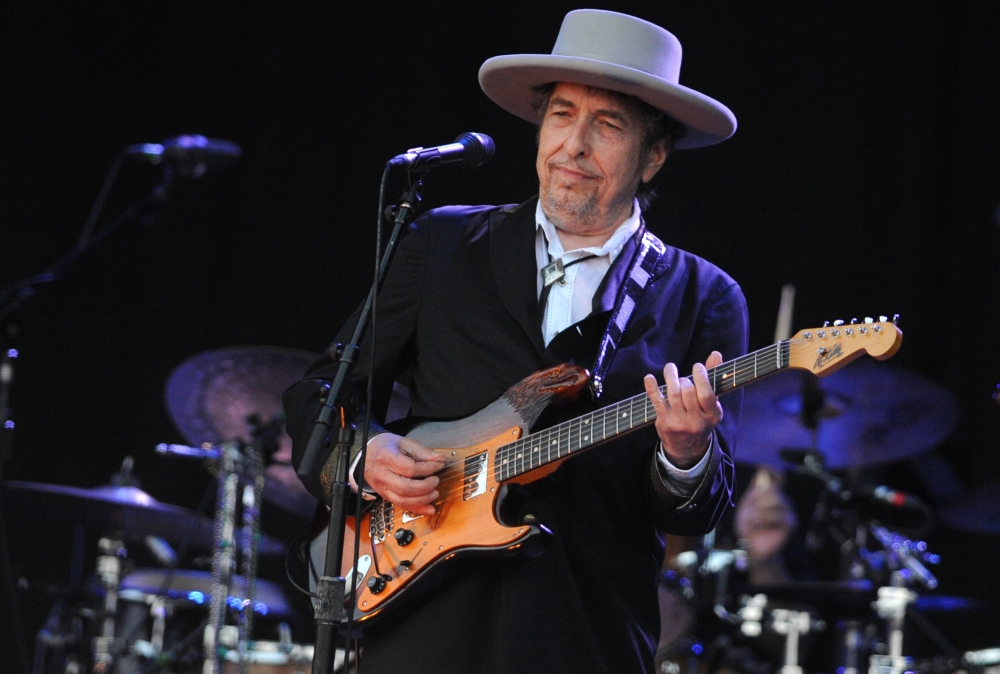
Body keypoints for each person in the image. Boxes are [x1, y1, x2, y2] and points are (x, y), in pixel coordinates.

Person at [284, 9, 748, 674]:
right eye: (561, 115)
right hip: (424, 624)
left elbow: (700, 510)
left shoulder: (705, 295)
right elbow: (321, 394)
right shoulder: (440, 242)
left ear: (655, 155)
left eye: (607, 124)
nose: (573, 146)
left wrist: (686, 449)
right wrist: (366, 455)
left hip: (585, 634)